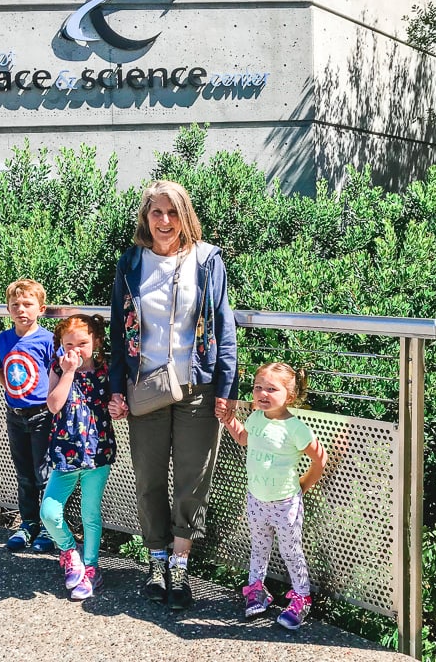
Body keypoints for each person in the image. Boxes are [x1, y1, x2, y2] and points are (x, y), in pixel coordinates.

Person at [108, 179, 238, 610]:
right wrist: (116, 389)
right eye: (156, 213)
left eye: (172, 212)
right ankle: (156, 561)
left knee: (191, 481)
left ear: (185, 216)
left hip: (196, 388)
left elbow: (224, 328)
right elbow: (115, 333)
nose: (165, 221)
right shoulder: (130, 263)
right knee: (147, 478)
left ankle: (180, 569)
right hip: (144, 387)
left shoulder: (206, 260)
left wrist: (227, 388)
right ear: (146, 218)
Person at [221, 362, 328, 629]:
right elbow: (245, 439)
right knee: (259, 547)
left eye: (271, 389)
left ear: (289, 397)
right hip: (256, 499)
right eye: (258, 388)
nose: (263, 394)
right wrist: (229, 420)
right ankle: (256, 589)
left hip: (285, 503)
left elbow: (320, 460)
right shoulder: (256, 418)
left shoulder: (295, 428)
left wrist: (302, 487)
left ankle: (302, 598)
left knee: (291, 551)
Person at [40, 313, 116, 600]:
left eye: (82, 343)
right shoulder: (59, 369)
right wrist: (69, 372)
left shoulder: (105, 370)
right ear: (60, 344)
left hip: (98, 453)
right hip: (65, 454)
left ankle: (92, 567)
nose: (75, 349)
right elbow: (53, 405)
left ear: (95, 342)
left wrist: (119, 407)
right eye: (68, 343)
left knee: (90, 515)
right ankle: (70, 552)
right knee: (49, 512)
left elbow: (114, 404)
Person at [0, 278, 56, 552]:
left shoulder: (48, 340)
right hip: (15, 415)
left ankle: (51, 529)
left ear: (41, 309)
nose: (21, 310)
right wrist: (13, 392)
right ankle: (28, 524)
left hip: (42, 416)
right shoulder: (4, 339)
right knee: (25, 475)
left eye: (28, 304)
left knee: (45, 474)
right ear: (8, 309)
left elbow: (58, 373)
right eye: (15, 305)